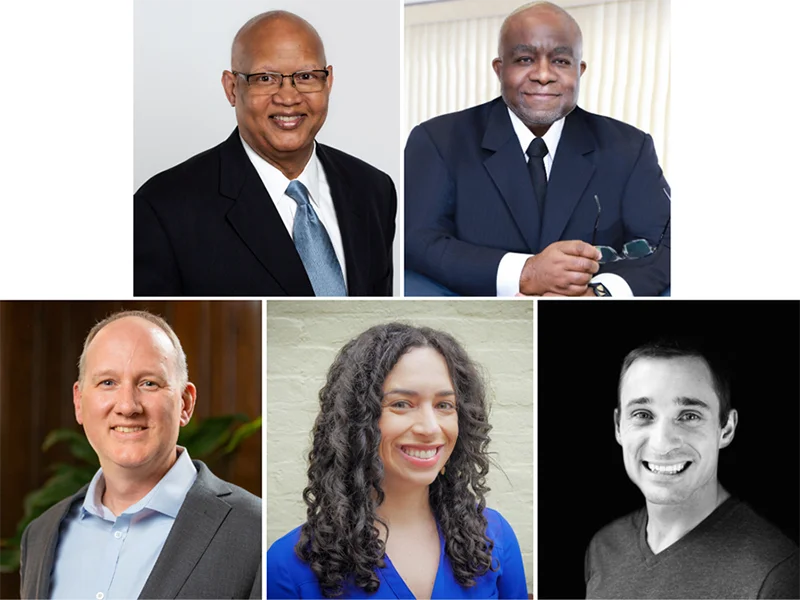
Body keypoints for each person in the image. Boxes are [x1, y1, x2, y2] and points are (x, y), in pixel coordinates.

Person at [404, 1, 670, 297]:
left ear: (579, 71)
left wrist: (600, 292)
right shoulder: (438, 140)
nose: (543, 75)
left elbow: (666, 245)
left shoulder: (630, 148)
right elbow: (418, 241)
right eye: (525, 59)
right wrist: (526, 272)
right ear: (499, 69)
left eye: (560, 61)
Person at [135, 11, 396, 297]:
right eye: (265, 78)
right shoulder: (163, 209)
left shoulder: (373, 190)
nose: (288, 97)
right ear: (232, 88)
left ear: (328, 81)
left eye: (306, 76)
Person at [266, 323, 528, 598]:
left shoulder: (494, 536)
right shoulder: (287, 566)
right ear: (357, 419)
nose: (429, 428)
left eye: (443, 405)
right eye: (401, 404)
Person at [19, 310, 262, 599]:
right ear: (79, 402)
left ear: (185, 403)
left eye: (149, 383)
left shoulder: (253, 530)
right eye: (107, 382)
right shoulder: (39, 536)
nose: (127, 406)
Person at [585, 340, 800, 599]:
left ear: (726, 429)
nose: (662, 444)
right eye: (643, 414)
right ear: (619, 427)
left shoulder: (775, 572)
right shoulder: (603, 548)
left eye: (689, 416)